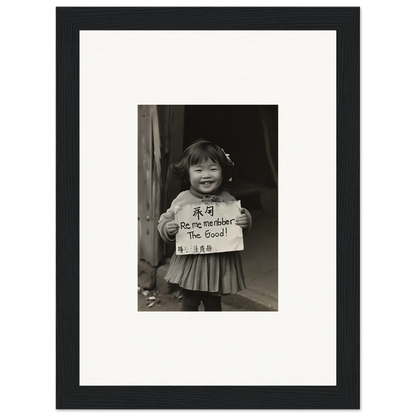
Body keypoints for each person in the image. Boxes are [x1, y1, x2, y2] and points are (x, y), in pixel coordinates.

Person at [157, 139, 252, 311]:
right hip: (192, 264)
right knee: (189, 302)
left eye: (213, 169)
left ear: (223, 173)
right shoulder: (183, 199)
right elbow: (164, 220)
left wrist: (244, 221)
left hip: (218, 264)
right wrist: (168, 228)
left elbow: (237, 225)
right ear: (188, 174)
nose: (206, 175)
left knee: (213, 303)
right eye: (199, 170)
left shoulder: (227, 200)